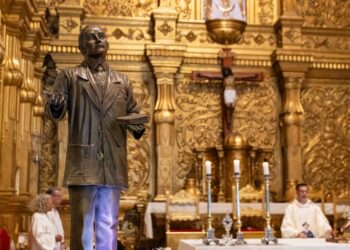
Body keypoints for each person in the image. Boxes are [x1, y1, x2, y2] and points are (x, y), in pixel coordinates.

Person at [46, 25, 145, 250]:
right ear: (81, 47)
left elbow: (135, 117)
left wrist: (138, 126)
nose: (98, 40)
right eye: (91, 38)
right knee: (81, 225)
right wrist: (55, 104)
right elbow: (56, 111)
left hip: (112, 161)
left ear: (108, 43)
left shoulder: (122, 81)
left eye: (101, 36)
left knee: (108, 224)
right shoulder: (70, 76)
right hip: (83, 161)